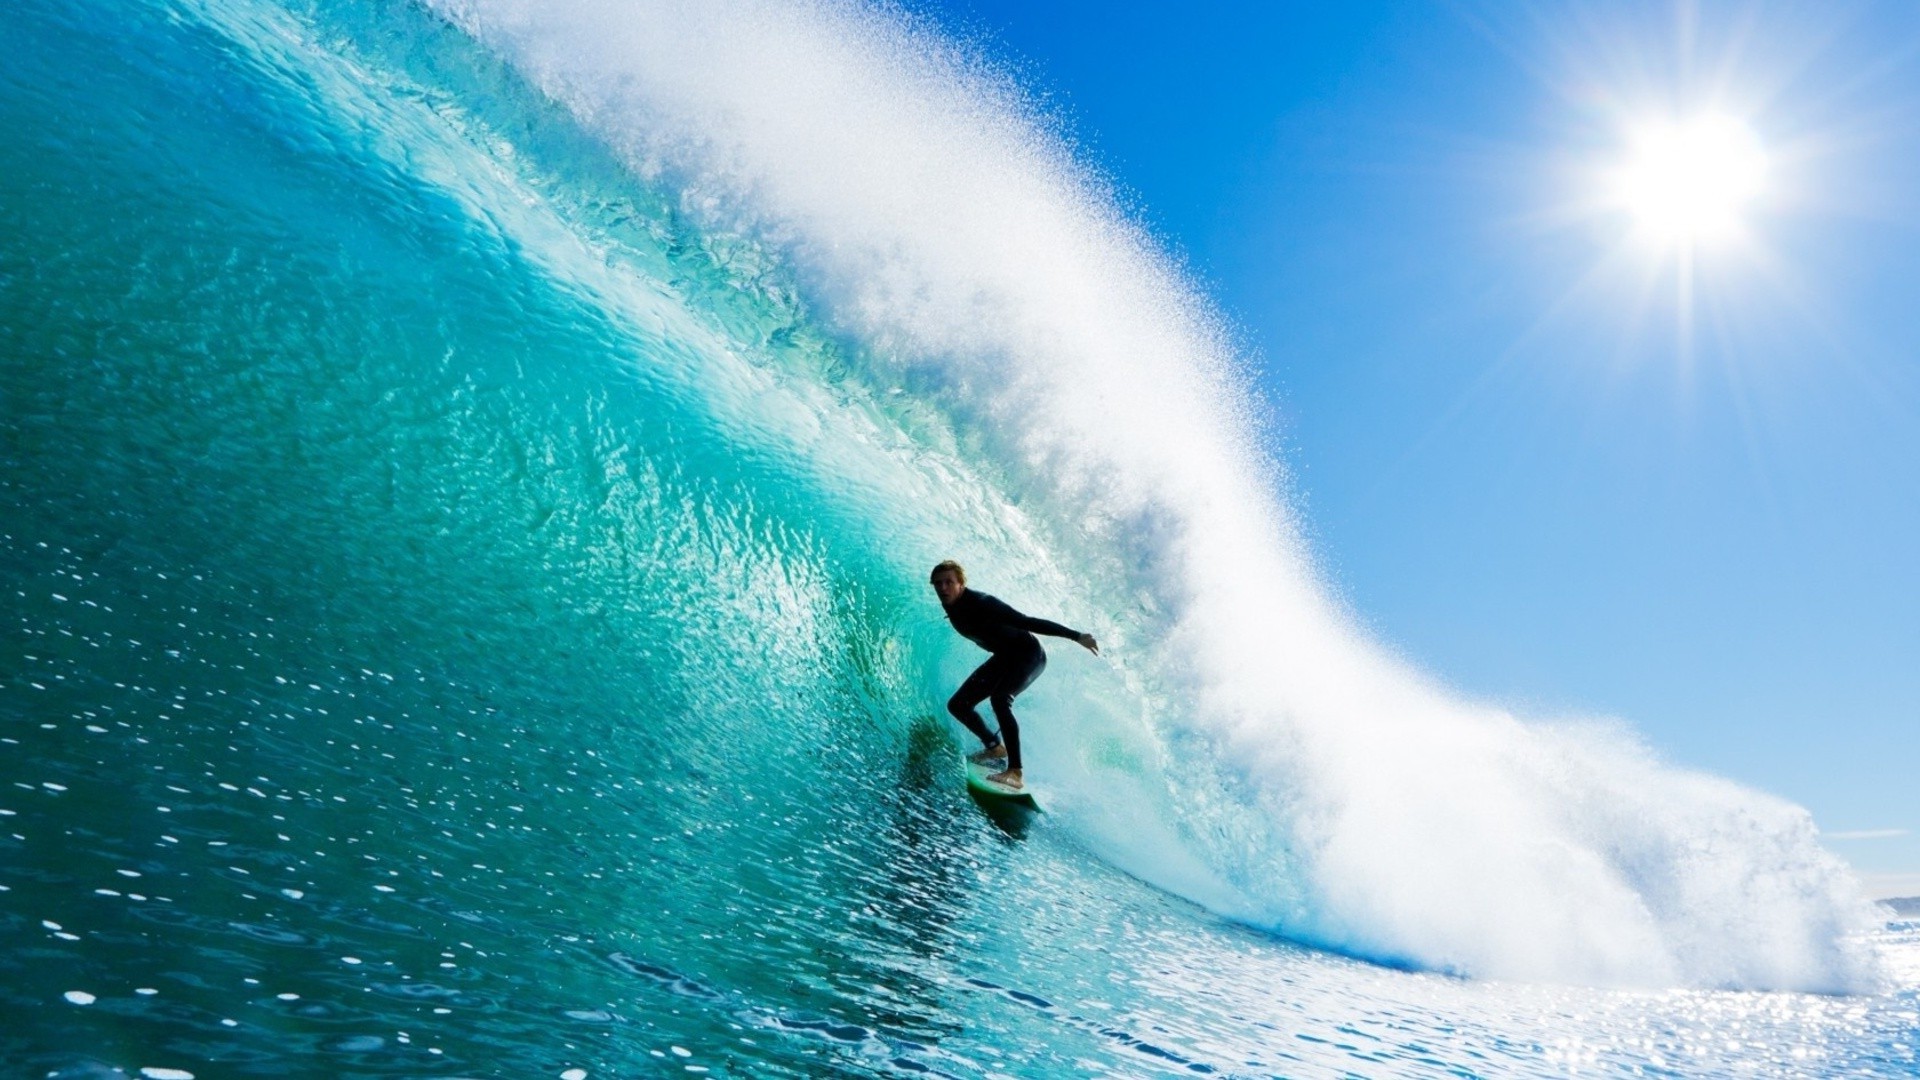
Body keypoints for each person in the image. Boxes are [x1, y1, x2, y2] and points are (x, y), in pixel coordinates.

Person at [930, 560, 1097, 790]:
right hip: (1004, 657)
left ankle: (1015, 771)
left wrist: (1076, 636)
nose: (943, 588)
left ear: (961, 584)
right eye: (938, 583)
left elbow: (1026, 621)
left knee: (1000, 699)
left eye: (949, 582)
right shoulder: (952, 606)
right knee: (959, 705)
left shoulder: (982, 603)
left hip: (1029, 655)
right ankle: (994, 747)